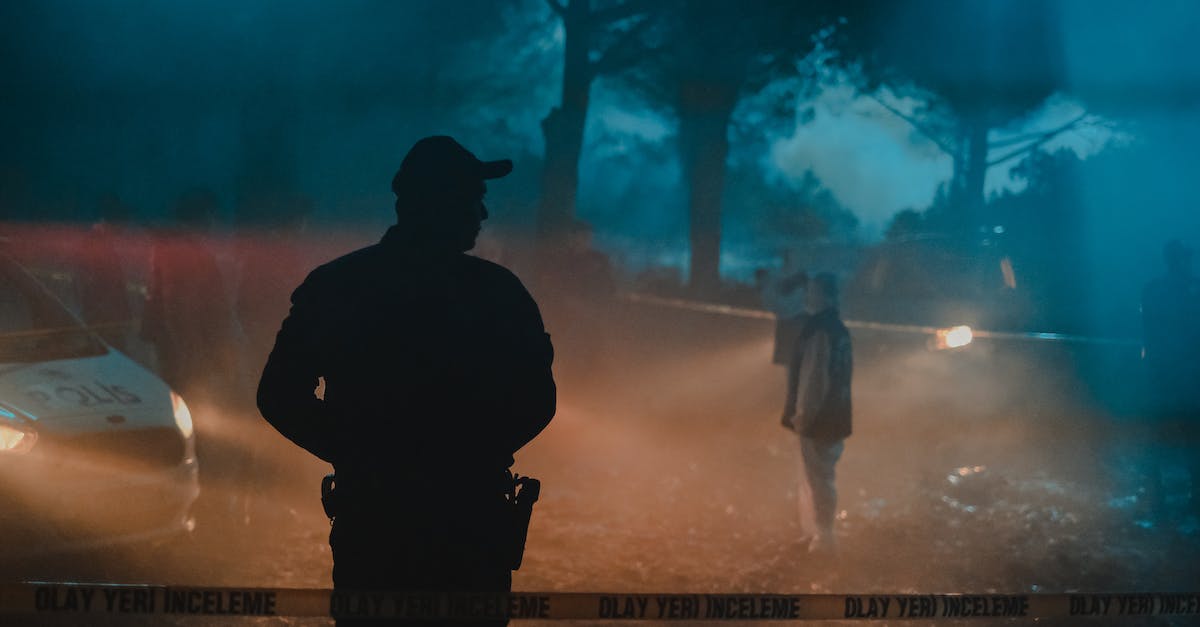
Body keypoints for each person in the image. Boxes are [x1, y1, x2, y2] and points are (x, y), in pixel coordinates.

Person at [257, 136, 556, 626]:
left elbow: (279, 397)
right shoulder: (499, 293)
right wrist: (468, 453)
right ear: (442, 203)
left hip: (374, 522)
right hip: (470, 524)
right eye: (471, 198)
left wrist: (360, 450)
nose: (482, 213)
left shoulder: (337, 286)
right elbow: (536, 400)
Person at [781, 272, 852, 555]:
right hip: (833, 414)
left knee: (819, 477)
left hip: (820, 417)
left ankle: (823, 537)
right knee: (815, 476)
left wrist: (804, 414)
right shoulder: (836, 329)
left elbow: (814, 377)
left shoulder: (820, 330)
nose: (807, 296)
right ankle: (814, 533)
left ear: (826, 296)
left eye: (813, 291)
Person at [1141, 239, 1200, 517]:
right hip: (1180, 374)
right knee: (1185, 434)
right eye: (1185, 259)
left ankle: (1160, 497)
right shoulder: (1190, 291)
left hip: (1164, 373)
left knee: (1162, 435)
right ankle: (1178, 498)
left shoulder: (1154, 290)